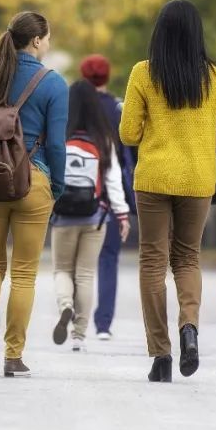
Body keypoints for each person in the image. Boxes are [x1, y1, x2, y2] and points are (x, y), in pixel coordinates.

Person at [120, 0, 216, 382]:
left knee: (152, 263)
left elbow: (128, 133)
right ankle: (190, 328)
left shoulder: (143, 73)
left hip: (153, 178)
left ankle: (161, 354)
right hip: (198, 179)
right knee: (187, 259)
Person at [0, 11, 68, 378]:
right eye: (48, 37)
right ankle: (12, 356)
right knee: (24, 274)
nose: (49, 44)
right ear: (36, 41)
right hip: (32, 182)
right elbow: (56, 146)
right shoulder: (53, 84)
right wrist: (56, 186)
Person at [50, 80, 131, 352]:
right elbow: (114, 181)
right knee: (85, 274)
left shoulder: (60, 135)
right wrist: (122, 215)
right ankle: (79, 336)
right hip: (94, 217)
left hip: (62, 216)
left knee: (62, 269)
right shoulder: (103, 138)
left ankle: (65, 305)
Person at [80, 55, 136, 341]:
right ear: (107, 76)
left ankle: (76, 315)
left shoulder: (73, 108)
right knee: (108, 257)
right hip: (111, 192)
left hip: (78, 190)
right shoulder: (117, 110)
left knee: (78, 259)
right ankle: (103, 324)